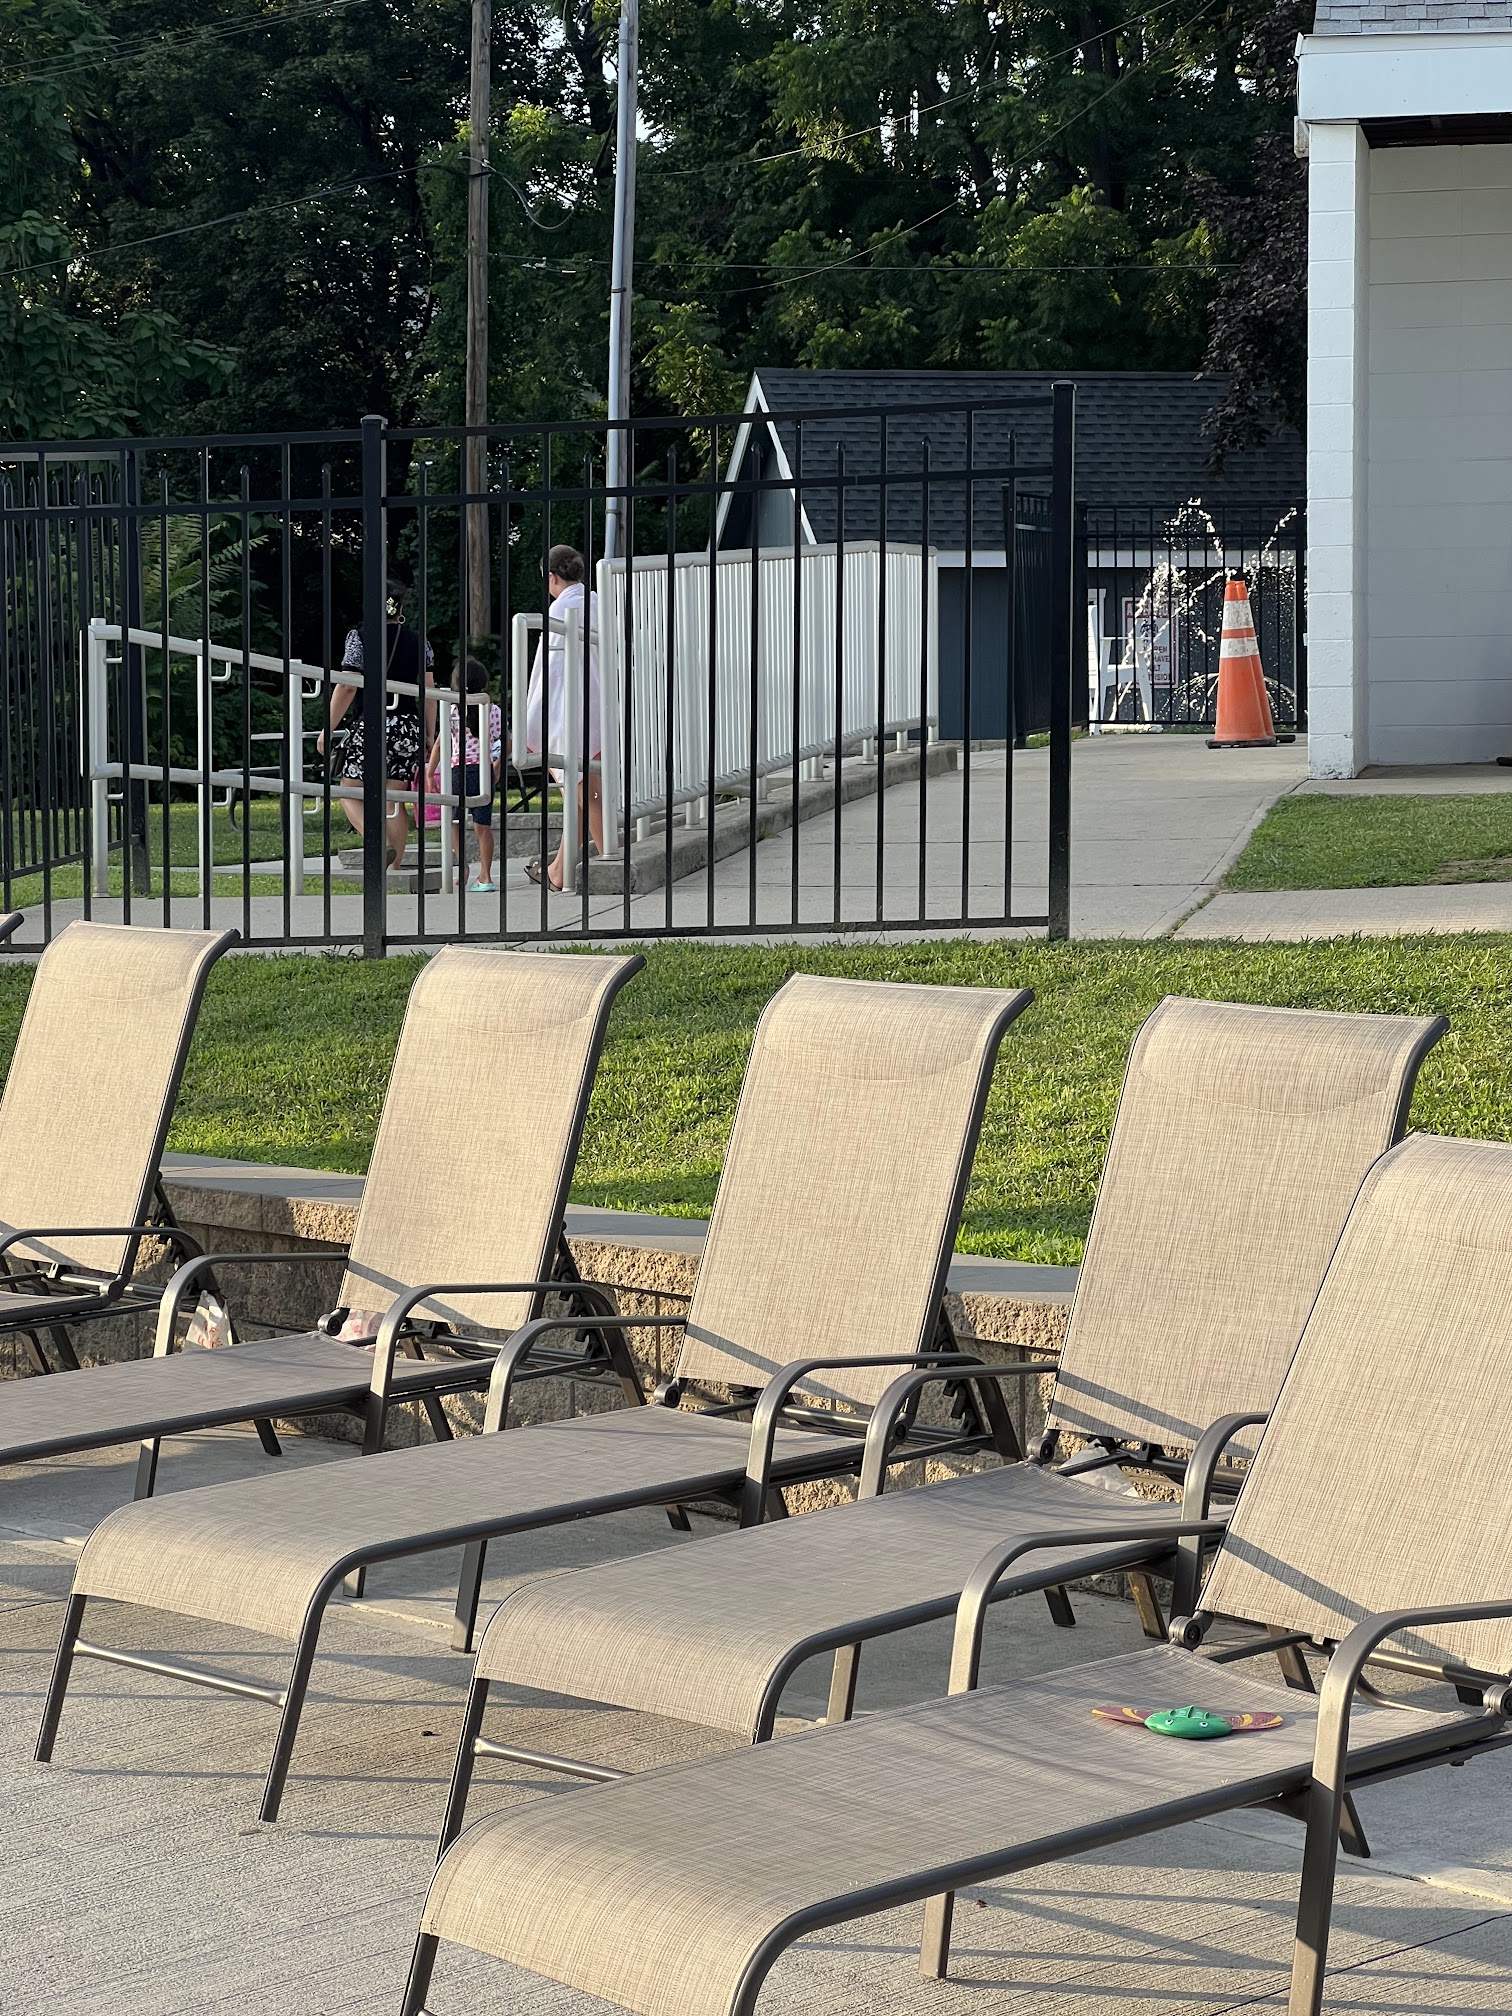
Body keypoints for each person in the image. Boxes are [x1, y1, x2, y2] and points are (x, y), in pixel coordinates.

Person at [318, 577, 435, 869]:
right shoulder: (419, 641)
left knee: (348, 791)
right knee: (393, 799)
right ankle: (393, 870)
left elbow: (348, 685)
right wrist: (429, 734)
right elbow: (429, 692)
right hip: (407, 727)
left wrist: (327, 729)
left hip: (372, 726)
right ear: (400, 608)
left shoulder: (359, 637)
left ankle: (378, 843)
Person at [523, 544, 602, 890]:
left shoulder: (559, 610)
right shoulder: (598, 602)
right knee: (580, 794)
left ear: (553, 577)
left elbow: (550, 673)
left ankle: (611, 859)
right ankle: (558, 870)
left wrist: (534, 719)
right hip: (599, 704)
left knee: (586, 793)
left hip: (571, 711)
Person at [426, 658, 502, 893]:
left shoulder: (452, 710)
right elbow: (504, 742)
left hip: (458, 770)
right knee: (483, 825)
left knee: (454, 821)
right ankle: (486, 875)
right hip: (483, 770)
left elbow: (440, 744)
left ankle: (463, 866)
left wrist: (430, 772)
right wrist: (497, 764)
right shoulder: (492, 709)